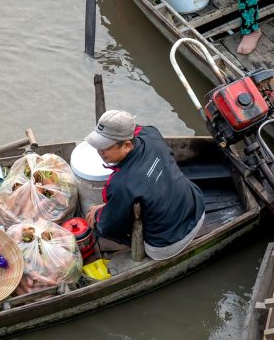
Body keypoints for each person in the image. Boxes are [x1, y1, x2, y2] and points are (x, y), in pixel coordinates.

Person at [83, 110, 206, 261]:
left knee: (101, 225)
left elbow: (108, 224)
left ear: (127, 145)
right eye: (98, 144)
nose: (99, 151)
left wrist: (97, 214)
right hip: (198, 207)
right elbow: (137, 128)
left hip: (167, 244)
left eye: (106, 147)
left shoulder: (121, 183)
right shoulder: (151, 134)